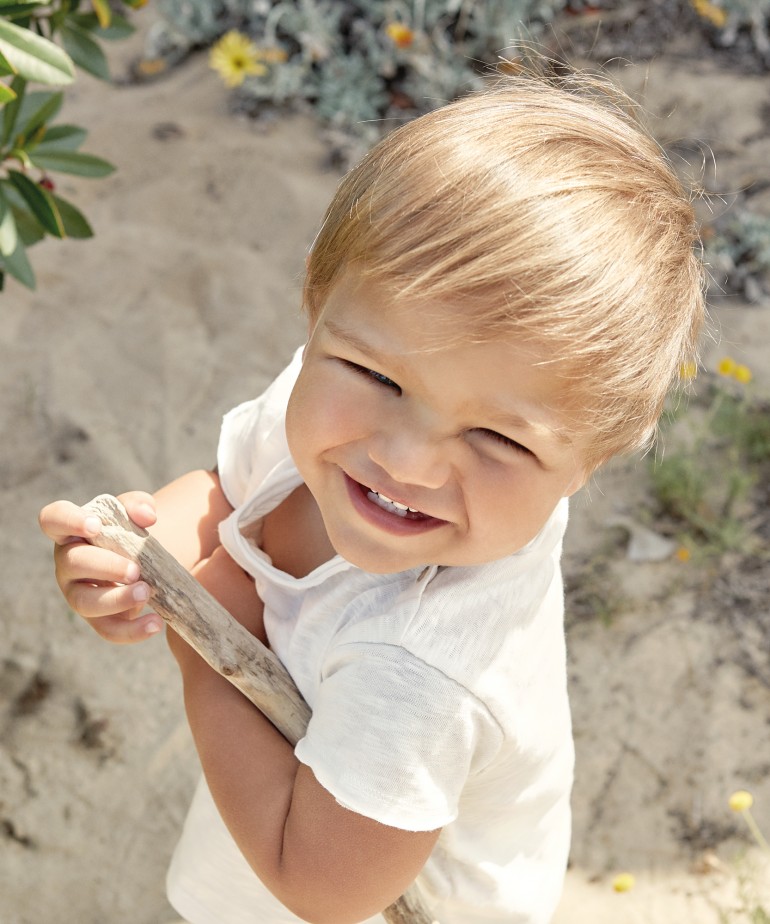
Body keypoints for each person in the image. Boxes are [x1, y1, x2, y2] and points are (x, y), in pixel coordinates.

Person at [39, 57, 705, 924]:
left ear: (591, 460)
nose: (409, 461)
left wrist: (207, 639)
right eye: (371, 375)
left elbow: (318, 884)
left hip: (381, 880)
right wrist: (142, 557)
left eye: (496, 438)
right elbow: (236, 490)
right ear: (317, 305)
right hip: (306, 766)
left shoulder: (422, 675)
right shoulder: (332, 412)